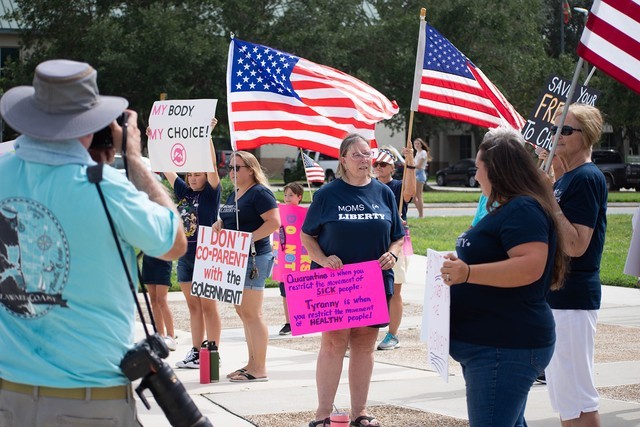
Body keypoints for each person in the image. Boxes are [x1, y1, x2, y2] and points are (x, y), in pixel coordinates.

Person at [0, 59, 186, 426]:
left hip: (9, 391)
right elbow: (174, 243)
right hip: (88, 396)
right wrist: (135, 160)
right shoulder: (106, 186)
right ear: (90, 127)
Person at [440, 127, 567, 426]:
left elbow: (530, 266)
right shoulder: (510, 208)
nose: (476, 177)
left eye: (478, 169)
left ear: (497, 171)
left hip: (504, 346)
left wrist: (468, 272)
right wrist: (463, 263)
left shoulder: (523, 209)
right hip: (495, 344)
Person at [301, 134, 404, 427]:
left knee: (365, 344)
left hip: (372, 280)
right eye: (356, 155)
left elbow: (397, 235)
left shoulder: (383, 192)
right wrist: (322, 259)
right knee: (333, 342)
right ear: (343, 159)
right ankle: (323, 414)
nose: (364, 159)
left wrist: (393, 255)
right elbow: (307, 235)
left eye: (367, 154)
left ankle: (360, 412)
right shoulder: (327, 195)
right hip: (335, 281)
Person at [544, 104, 607, 427]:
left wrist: (551, 203)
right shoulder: (567, 178)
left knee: (579, 398)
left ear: (588, 136)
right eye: (555, 129)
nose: (558, 136)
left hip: (573, 298)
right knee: (565, 399)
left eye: (566, 130)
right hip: (558, 297)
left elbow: (576, 245)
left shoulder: (585, 178)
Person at [214, 151, 280, 382]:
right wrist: (221, 223)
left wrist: (248, 238)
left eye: (237, 168)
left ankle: (259, 368)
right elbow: (235, 218)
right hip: (234, 257)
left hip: (254, 258)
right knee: (242, 312)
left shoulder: (260, 193)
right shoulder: (236, 192)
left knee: (252, 313)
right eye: (229, 168)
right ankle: (251, 363)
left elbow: (274, 222)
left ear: (250, 169)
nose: (231, 172)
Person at [163, 124, 223, 369]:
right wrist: (157, 141)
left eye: (198, 174)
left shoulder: (210, 193)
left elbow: (212, 168)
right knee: (193, 306)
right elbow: (167, 169)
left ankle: (212, 352)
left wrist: (206, 136)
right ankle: (196, 352)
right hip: (186, 256)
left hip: (206, 255)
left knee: (208, 306)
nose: (194, 178)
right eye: (190, 175)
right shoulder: (185, 192)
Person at [373, 146, 416, 351]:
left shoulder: (397, 186)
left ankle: (393, 334)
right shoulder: (369, 186)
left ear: (392, 167)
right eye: (376, 164)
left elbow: (409, 193)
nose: (378, 167)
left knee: (395, 288)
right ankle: (364, 330)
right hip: (374, 241)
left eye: (383, 164)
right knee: (372, 288)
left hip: (397, 241)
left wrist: (411, 163)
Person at [277, 181, 304, 336]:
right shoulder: (280, 212)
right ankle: (289, 322)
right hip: (285, 260)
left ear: (299, 197)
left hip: (299, 260)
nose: (287, 198)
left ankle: (299, 319)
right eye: (286, 194)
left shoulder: (303, 213)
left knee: (299, 292)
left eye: (291, 195)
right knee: (285, 292)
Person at [141, 255, 176, 351]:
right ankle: (160, 336)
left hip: (164, 259)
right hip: (148, 259)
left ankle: (171, 337)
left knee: (162, 300)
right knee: (153, 300)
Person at [412, 138, 431, 218]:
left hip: (420, 174)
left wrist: (410, 165)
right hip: (415, 173)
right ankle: (420, 214)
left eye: (418, 144)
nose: (416, 145)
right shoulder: (417, 153)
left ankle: (421, 215)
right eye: (415, 144)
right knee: (413, 196)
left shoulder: (423, 152)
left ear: (421, 144)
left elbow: (419, 165)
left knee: (418, 195)